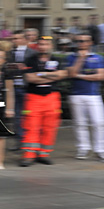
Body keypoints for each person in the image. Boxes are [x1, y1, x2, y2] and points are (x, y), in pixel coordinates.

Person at [66, 33, 104, 162]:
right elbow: (71, 74)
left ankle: (101, 151)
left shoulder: (98, 57)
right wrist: (80, 60)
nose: (81, 43)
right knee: (80, 123)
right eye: (79, 41)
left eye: (84, 41)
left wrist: (80, 76)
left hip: (93, 95)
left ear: (90, 42)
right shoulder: (71, 57)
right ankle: (83, 148)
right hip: (76, 94)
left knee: (99, 123)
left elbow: (102, 76)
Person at [20, 36, 66, 166]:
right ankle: (29, 155)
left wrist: (41, 75)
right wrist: (51, 76)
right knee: (31, 126)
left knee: (50, 127)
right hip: (33, 97)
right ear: (37, 46)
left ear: (50, 46)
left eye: (46, 44)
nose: (43, 46)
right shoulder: (30, 60)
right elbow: (30, 78)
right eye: (40, 44)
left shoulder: (57, 60)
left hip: (52, 97)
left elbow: (62, 75)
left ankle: (43, 153)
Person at [6, 30, 31, 150]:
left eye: (17, 38)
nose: (14, 41)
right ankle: (19, 142)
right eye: (13, 38)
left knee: (27, 115)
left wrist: (25, 68)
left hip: (27, 87)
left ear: (24, 39)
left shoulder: (32, 53)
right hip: (14, 87)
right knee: (16, 116)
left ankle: (28, 141)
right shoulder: (10, 53)